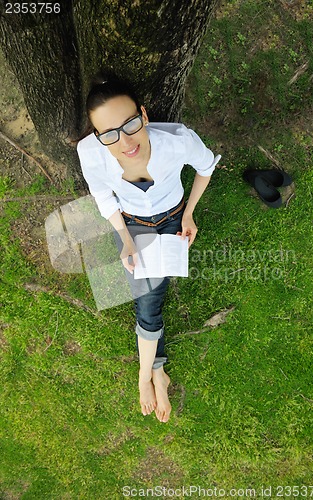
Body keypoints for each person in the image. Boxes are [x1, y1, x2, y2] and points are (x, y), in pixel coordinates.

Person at [77, 72, 220, 423]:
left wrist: (189, 214)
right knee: (149, 296)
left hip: (172, 217)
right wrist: (125, 238)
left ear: (143, 114)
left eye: (129, 124)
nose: (124, 141)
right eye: (109, 134)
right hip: (132, 224)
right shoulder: (90, 153)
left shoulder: (177, 140)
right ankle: (153, 374)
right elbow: (103, 196)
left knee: (150, 295)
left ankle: (152, 374)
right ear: (97, 136)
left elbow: (206, 168)